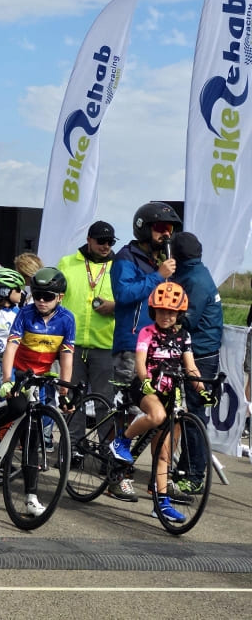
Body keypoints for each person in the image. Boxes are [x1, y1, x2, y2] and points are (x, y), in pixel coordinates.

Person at [107, 282, 211, 523]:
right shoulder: (147, 332)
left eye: (172, 312)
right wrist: (145, 381)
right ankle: (122, 441)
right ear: (154, 311)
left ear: (179, 314)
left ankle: (161, 505)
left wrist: (203, 391)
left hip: (171, 393)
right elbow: (140, 363)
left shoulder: (184, 336)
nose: (166, 316)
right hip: (146, 387)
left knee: (163, 454)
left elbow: (191, 367)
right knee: (157, 416)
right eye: (161, 311)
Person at [0, 267, 75, 518]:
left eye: (48, 296)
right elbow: (11, 348)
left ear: (60, 297)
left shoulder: (67, 319)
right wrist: (6, 380)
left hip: (40, 378)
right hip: (18, 372)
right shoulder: (25, 313)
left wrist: (64, 390)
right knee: (17, 406)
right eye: (37, 295)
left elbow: (67, 357)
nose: (42, 301)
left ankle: (31, 498)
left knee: (32, 439)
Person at [109, 201, 179, 502]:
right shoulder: (126, 257)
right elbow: (123, 293)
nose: (166, 234)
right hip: (131, 345)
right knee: (132, 413)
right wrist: (158, 276)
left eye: (170, 229)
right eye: (161, 228)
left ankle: (159, 481)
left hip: (159, 348)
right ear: (144, 228)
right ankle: (117, 475)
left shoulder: (158, 260)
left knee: (162, 416)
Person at [56, 221, 117, 457]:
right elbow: (55, 298)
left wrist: (115, 306)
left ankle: (107, 453)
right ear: (89, 240)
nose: (106, 246)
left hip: (105, 344)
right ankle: (73, 449)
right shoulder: (67, 263)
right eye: (101, 241)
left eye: (110, 242)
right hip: (72, 344)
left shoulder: (119, 267)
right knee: (72, 399)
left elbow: (132, 302)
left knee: (104, 402)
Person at [169, 231, 223, 495]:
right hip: (197, 350)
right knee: (187, 414)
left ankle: (194, 475)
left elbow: (188, 319)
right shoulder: (193, 273)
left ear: (177, 255)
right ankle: (185, 467)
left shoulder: (195, 279)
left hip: (200, 354)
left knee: (194, 416)